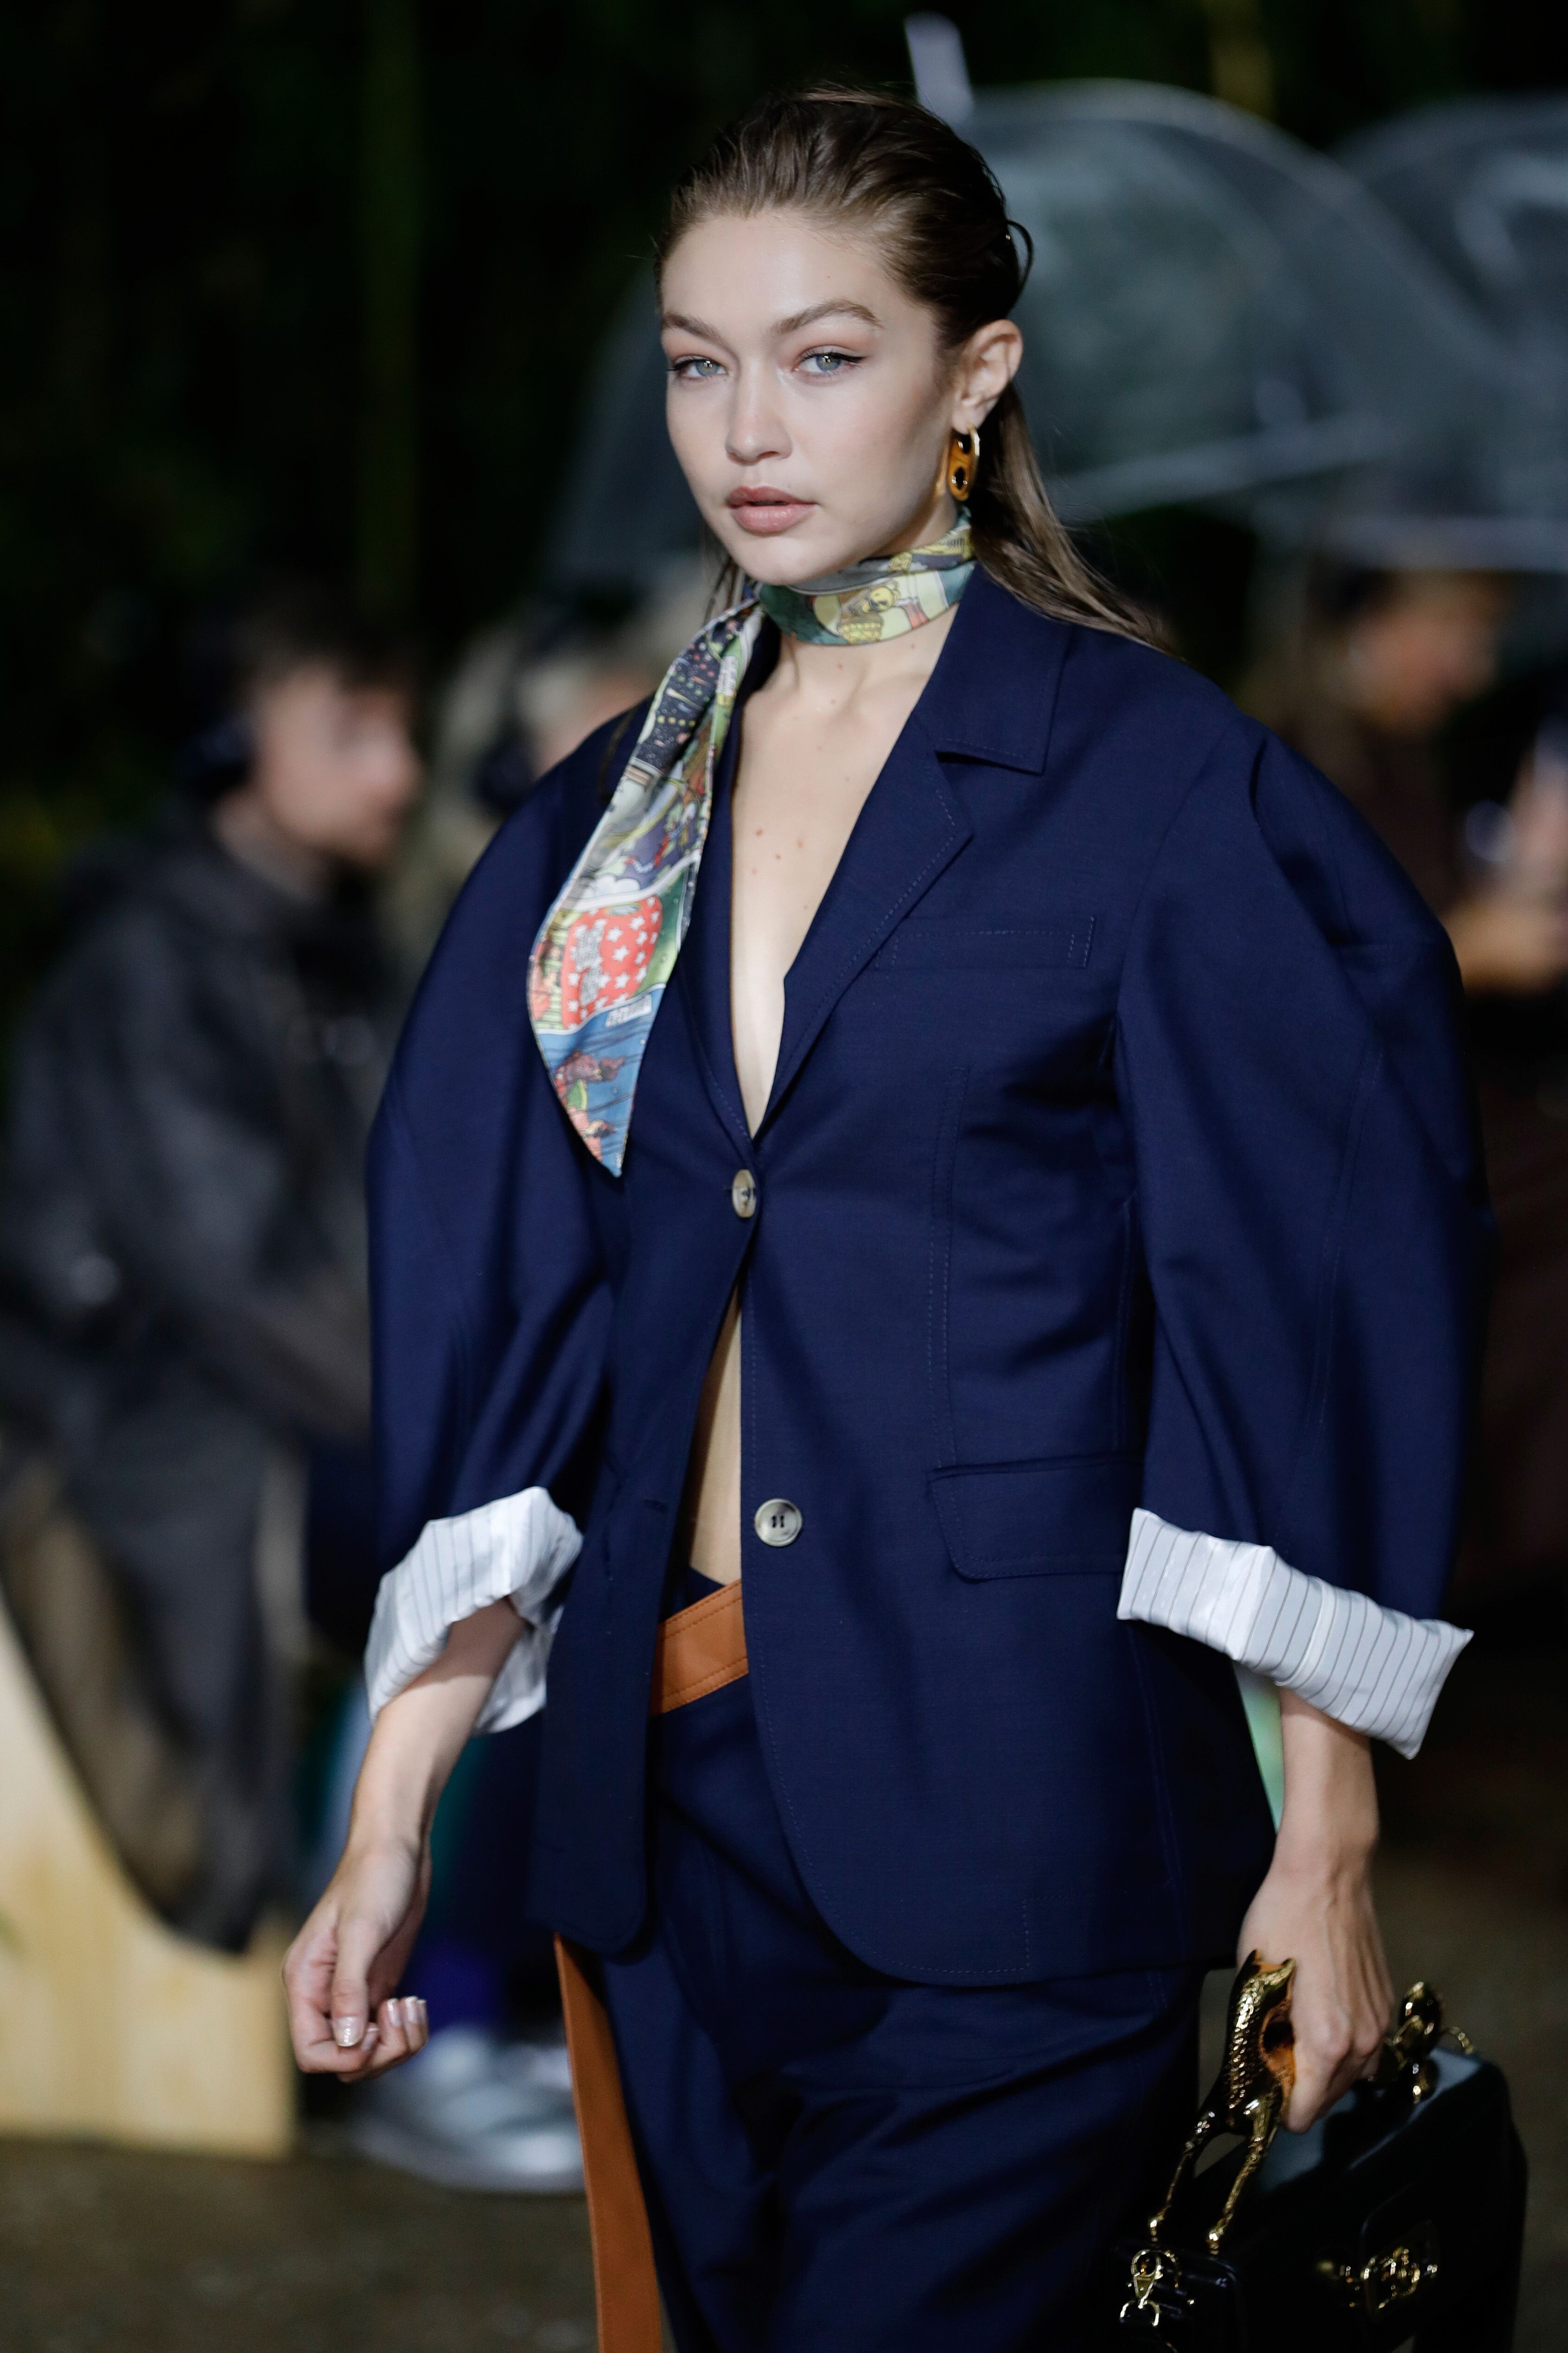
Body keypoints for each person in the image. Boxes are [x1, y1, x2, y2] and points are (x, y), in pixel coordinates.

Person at [287, 91, 1486, 2351]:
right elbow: (520, 1300)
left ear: (974, 371)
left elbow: (1296, 1281)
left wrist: (1319, 1843)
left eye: (822, 356)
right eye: (696, 361)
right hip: (662, 1814)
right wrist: (392, 1817)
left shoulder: (1151, 786)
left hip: (1023, 1816)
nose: (744, 428)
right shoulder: (610, 812)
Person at [0, 589, 419, 1948]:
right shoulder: (148, 967)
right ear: (228, 745)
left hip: (293, 1410)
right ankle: (424, 1980)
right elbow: (241, 1277)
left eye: (403, 732)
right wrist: (459, 1429)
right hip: (138, 1434)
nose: (399, 773)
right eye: (351, 732)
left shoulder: (346, 953)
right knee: (516, 1548)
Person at [1249, 565, 1568, 1598]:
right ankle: (1456, 1543)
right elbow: (1294, 989)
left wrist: (1522, 877)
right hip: (1348, 1137)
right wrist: (1475, 947)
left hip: (1434, 1109)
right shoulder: (1288, 757)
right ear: (1373, 614)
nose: (1475, 666)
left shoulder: (1395, 757)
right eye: (1458, 630)